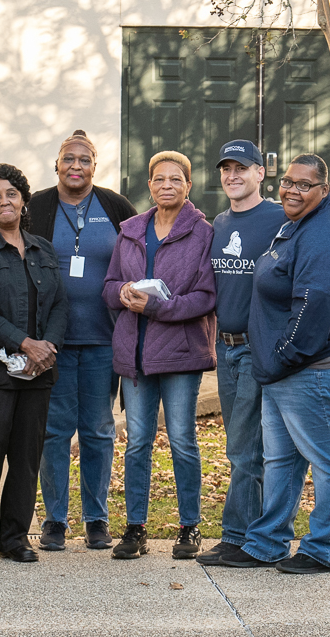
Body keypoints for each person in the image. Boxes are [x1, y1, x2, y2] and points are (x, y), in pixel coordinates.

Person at [197, 141, 330, 566]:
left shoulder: (327, 229)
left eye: (305, 184)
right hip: (281, 368)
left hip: (316, 366)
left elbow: (314, 302)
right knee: (280, 460)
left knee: (328, 461)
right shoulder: (298, 222)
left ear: (324, 187)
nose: (293, 190)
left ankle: (323, 549)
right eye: (290, 182)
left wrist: (281, 354)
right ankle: (266, 543)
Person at [102, 151, 216, 561]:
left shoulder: (203, 233)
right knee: (137, 444)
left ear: (188, 185)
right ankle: (135, 528)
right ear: (149, 185)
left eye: (176, 179)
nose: (167, 185)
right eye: (159, 179)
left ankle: (190, 527)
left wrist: (155, 307)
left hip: (181, 355)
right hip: (136, 353)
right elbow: (110, 284)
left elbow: (206, 297)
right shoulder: (130, 230)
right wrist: (121, 294)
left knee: (183, 441)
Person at [27, 129, 137, 551]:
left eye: (84, 160)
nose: (76, 166)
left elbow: (142, 251)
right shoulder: (36, 206)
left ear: (95, 166)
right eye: (68, 159)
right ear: (57, 164)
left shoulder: (114, 207)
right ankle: (54, 519)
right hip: (50, 342)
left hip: (103, 339)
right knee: (53, 431)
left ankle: (96, 518)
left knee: (98, 429)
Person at [0, 163, 68, 564]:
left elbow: (58, 303)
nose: (4, 201)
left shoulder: (43, 248)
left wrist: (47, 347)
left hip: (38, 373)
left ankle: (15, 537)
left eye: (11, 194)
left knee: (26, 454)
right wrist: (24, 343)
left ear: (23, 200)